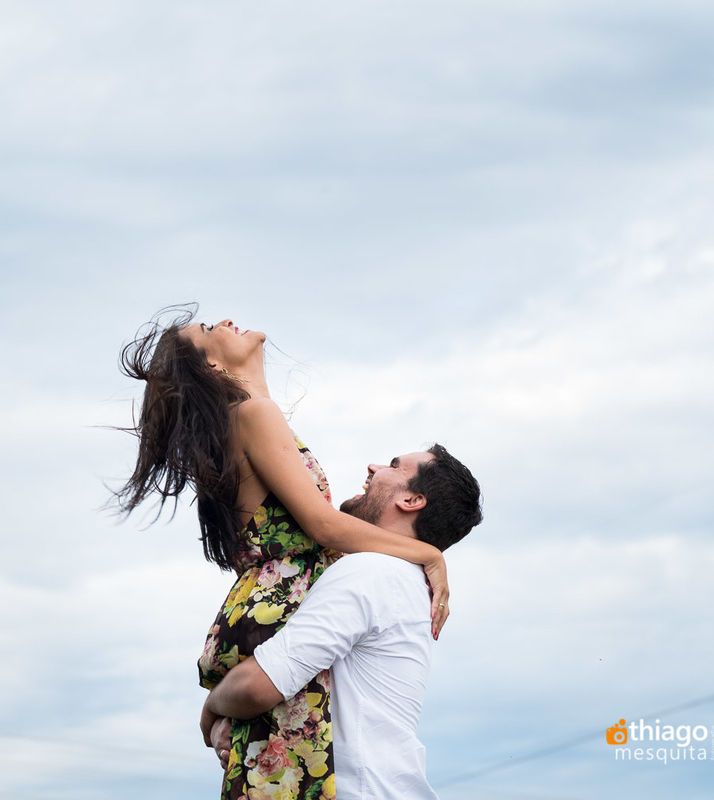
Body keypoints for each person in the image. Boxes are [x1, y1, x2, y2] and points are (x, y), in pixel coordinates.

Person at [115, 306, 456, 800]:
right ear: (212, 367)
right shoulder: (255, 415)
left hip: (262, 597)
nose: (225, 319)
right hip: (280, 598)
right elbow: (323, 525)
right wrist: (429, 553)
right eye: (210, 330)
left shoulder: (248, 416)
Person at [200, 445, 483, 800]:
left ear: (412, 500)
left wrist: (212, 707)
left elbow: (260, 685)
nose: (373, 466)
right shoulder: (403, 578)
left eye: (394, 466)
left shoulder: (372, 572)